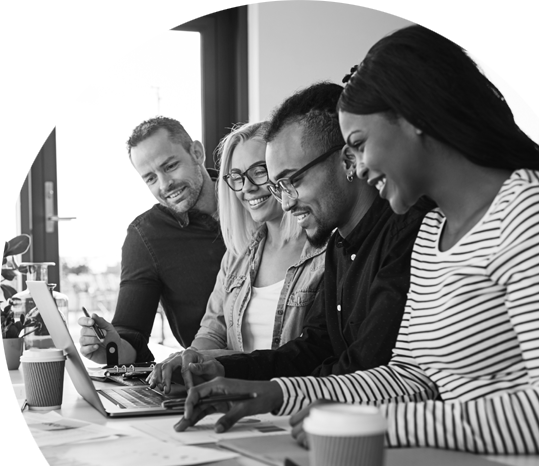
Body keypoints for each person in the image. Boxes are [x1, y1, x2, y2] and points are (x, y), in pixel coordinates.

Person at [179, 26, 539, 466]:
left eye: (359, 145)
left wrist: (382, 423)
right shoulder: (434, 231)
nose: (357, 167)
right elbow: (409, 378)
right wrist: (280, 393)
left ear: (415, 118)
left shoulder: (533, 209)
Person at [165, 81, 433, 432]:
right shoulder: (339, 244)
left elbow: (366, 371)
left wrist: (275, 394)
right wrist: (228, 371)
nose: (287, 200)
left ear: (347, 160)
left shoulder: (407, 233)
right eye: (279, 185)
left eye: (292, 181)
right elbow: (313, 348)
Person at [149, 121, 326, 391]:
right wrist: (188, 363)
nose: (247, 187)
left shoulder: (325, 251)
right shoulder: (238, 255)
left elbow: (311, 355)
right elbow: (211, 332)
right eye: (236, 177)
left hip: (291, 402)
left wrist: (211, 361)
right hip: (234, 401)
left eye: (259, 172)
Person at [78, 117, 226, 365]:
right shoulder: (146, 236)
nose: (165, 184)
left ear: (197, 152)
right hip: (207, 375)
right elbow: (130, 336)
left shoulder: (251, 198)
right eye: (150, 178)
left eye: (170, 166)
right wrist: (108, 348)